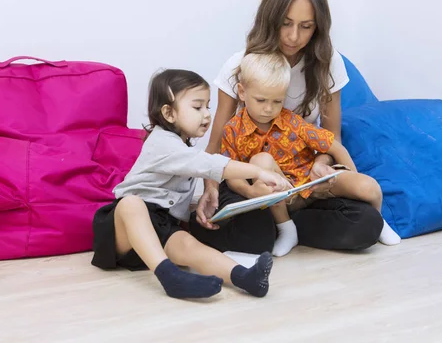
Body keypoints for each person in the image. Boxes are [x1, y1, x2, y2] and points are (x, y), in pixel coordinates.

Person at [191, 0, 386, 254]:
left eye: (306, 27)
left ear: (318, 27)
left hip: (304, 180)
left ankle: (288, 226)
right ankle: (280, 225)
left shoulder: (328, 63)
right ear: (271, 20)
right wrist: (210, 188)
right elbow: (215, 146)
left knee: (366, 224)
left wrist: (322, 164)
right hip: (253, 178)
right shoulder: (240, 65)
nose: (294, 37)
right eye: (286, 24)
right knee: (246, 231)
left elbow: (330, 138)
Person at [91, 69, 292, 300]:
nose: (207, 115)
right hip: (122, 229)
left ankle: (245, 277)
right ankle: (170, 278)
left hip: (159, 228)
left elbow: (186, 179)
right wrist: (257, 171)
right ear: (168, 113)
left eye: (208, 106)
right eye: (198, 107)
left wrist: (202, 197)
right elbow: (208, 163)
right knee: (131, 203)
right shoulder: (162, 143)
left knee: (189, 245)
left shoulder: (183, 149)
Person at [220, 52, 402, 256]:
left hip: (313, 183)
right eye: (261, 100)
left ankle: (380, 221)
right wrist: (251, 193)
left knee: (369, 186)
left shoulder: (292, 121)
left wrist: (349, 174)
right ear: (242, 92)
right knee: (261, 161)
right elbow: (231, 174)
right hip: (282, 195)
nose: (269, 109)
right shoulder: (232, 130)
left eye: (277, 101)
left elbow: (334, 146)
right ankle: (286, 228)